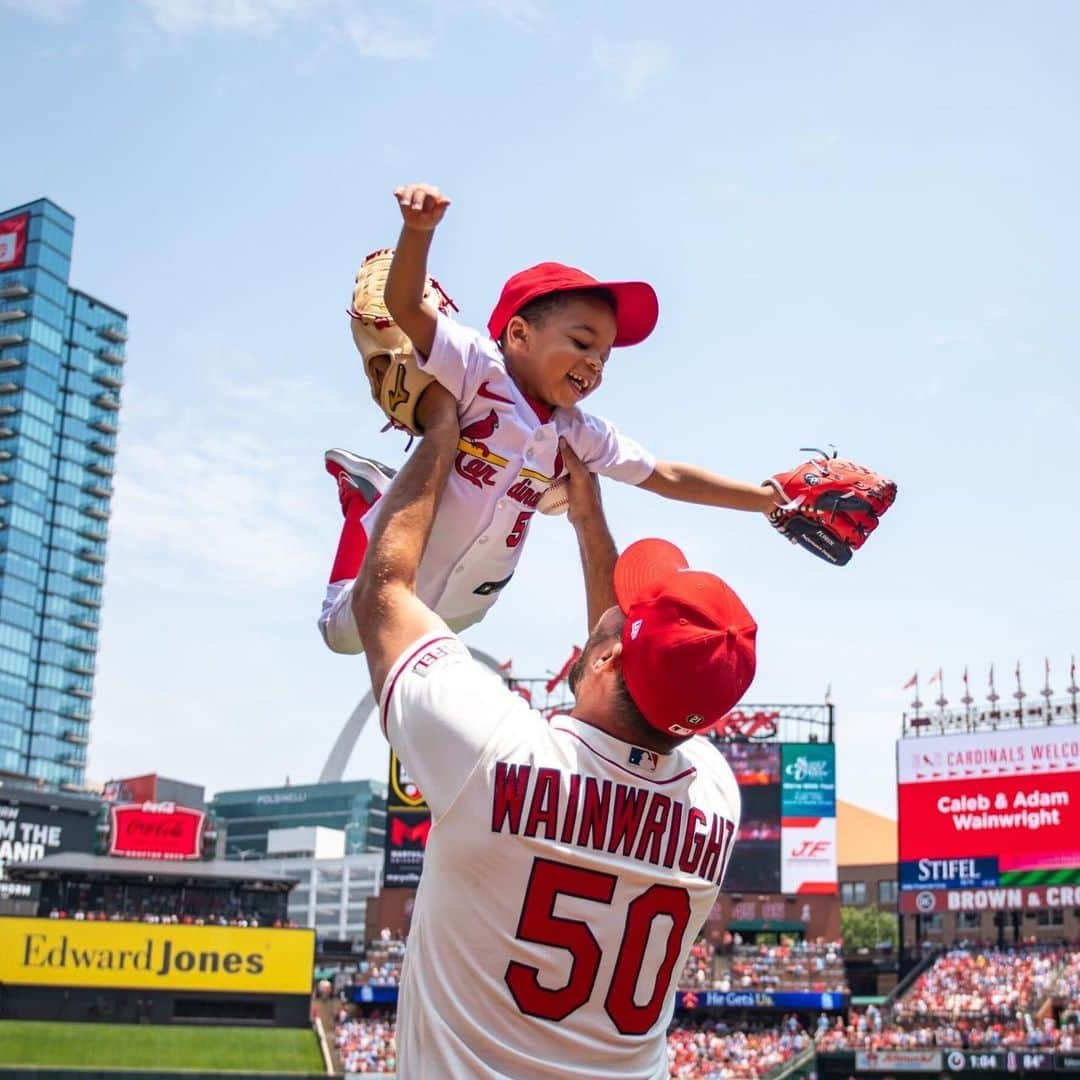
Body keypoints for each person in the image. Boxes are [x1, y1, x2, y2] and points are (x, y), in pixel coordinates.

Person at [352, 383, 755, 1079]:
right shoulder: (716, 795)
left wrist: (443, 427)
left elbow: (382, 593)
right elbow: (630, 680)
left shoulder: (493, 751)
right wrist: (588, 516)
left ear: (604, 657)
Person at [319, 182, 784, 653]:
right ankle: (369, 494)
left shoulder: (578, 432)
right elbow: (405, 308)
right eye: (582, 343)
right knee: (343, 636)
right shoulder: (477, 369)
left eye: (605, 355)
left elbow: (665, 476)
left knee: (437, 648)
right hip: (404, 553)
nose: (596, 363)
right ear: (519, 334)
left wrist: (763, 499)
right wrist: (417, 232)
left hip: (471, 600)